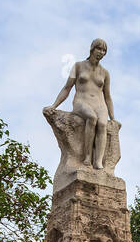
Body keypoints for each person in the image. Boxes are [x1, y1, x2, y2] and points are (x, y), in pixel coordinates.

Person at [46, 38, 114, 170]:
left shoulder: (105, 73)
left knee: (102, 124)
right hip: (81, 102)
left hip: (99, 104)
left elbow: (108, 96)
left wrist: (113, 117)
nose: (101, 52)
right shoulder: (78, 66)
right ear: (92, 49)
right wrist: (54, 106)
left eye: (104, 50)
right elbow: (67, 88)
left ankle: (98, 161)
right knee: (92, 118)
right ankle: (87, 156)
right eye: (98, 49)